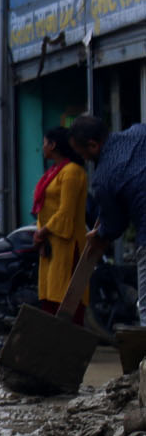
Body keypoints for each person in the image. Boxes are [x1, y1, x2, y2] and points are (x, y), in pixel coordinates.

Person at [72, 114, 146, 322]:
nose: (85, 160)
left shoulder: (103, 177)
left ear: (93, 145)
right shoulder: (140, 131)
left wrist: (101, 234)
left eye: (83, 154)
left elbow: (115, 224)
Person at [32, 125, 89, 320]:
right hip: (51, 242)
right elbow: (44, 209)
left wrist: (43, 231)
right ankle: (52, 346)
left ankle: (68, 345)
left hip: (67, 242)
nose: (43, 147)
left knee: (67, 296)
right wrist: (41, 234)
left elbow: (66, 211)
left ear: (53, 145)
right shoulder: (55, 171)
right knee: (50, 295)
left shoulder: (72, 172)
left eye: (45, 143)